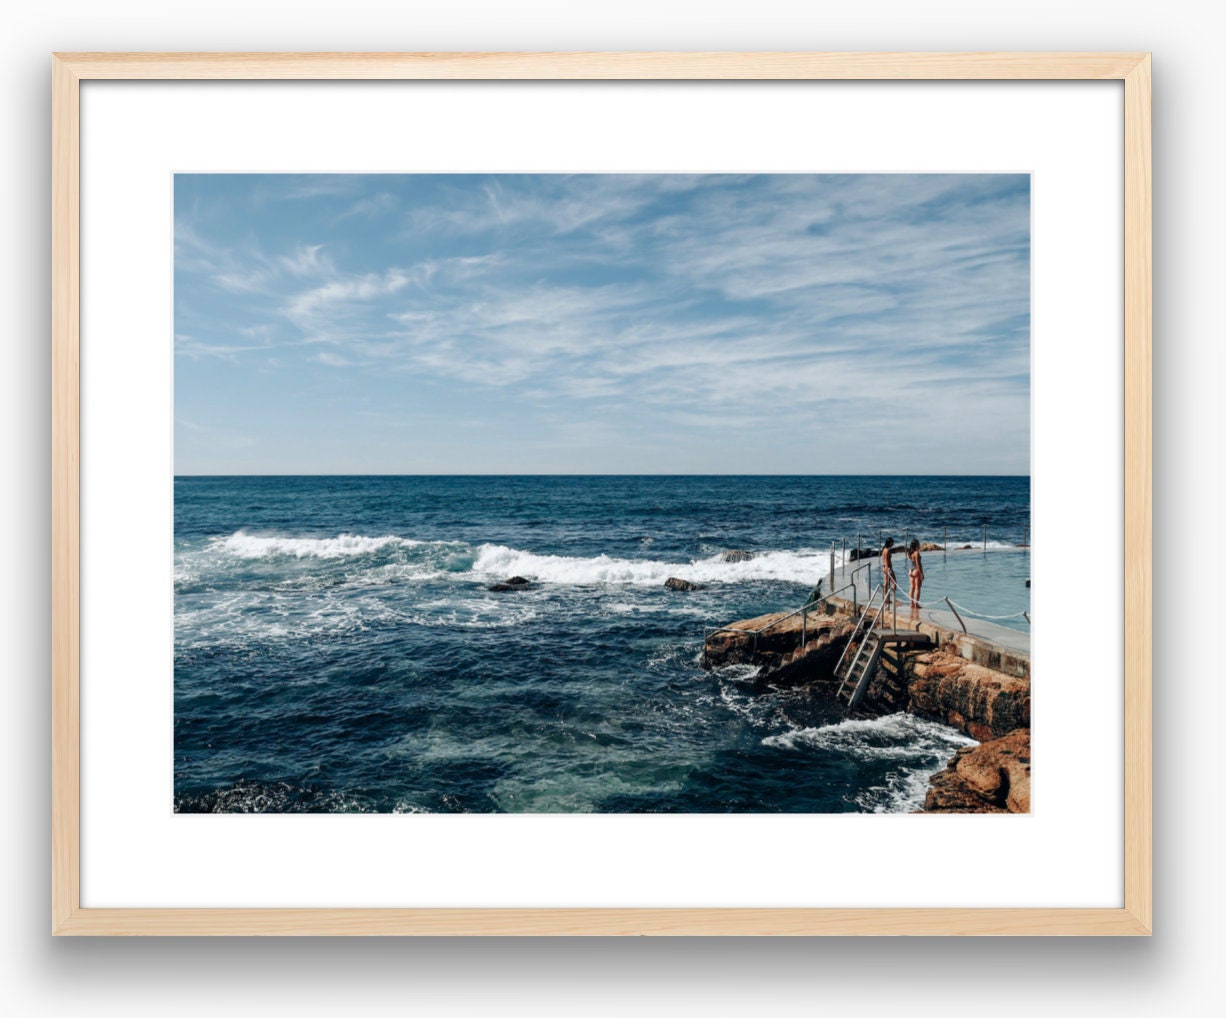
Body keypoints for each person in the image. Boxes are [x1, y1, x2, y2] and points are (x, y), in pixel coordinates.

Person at [907, 538, 925, 609]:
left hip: (911, 570)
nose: (919, 544)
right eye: (918, 543)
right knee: (917, 588)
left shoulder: (909, 553)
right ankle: (916, 604)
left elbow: (912, 562)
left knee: (912, 588)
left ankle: (911, 603)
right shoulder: (916, 553)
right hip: (916, 571)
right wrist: (922, 573)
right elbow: (918, 564)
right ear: (916, 544)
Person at [880, 537, 896, 611]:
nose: (893, 544)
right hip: (888, 567)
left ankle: (887, 598)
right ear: (889, 543)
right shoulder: (887, 550)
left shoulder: (884, 549)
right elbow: (886, 560)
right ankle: (890, 597)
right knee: (893, 582)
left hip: (885, 567)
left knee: (886, 583)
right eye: (892, 542)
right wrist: (888, 568)